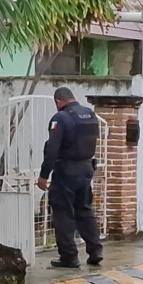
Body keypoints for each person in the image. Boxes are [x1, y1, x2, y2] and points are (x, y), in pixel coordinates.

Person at [37, 87, 104, 268]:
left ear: (58, 101)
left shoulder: (60, 118)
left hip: (66, 170)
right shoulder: (89, 114)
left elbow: (52, 149)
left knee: (63, 213)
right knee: (84, 210)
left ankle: (69, 257)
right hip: (86, 168)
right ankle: (95, 250)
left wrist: (44, 175)